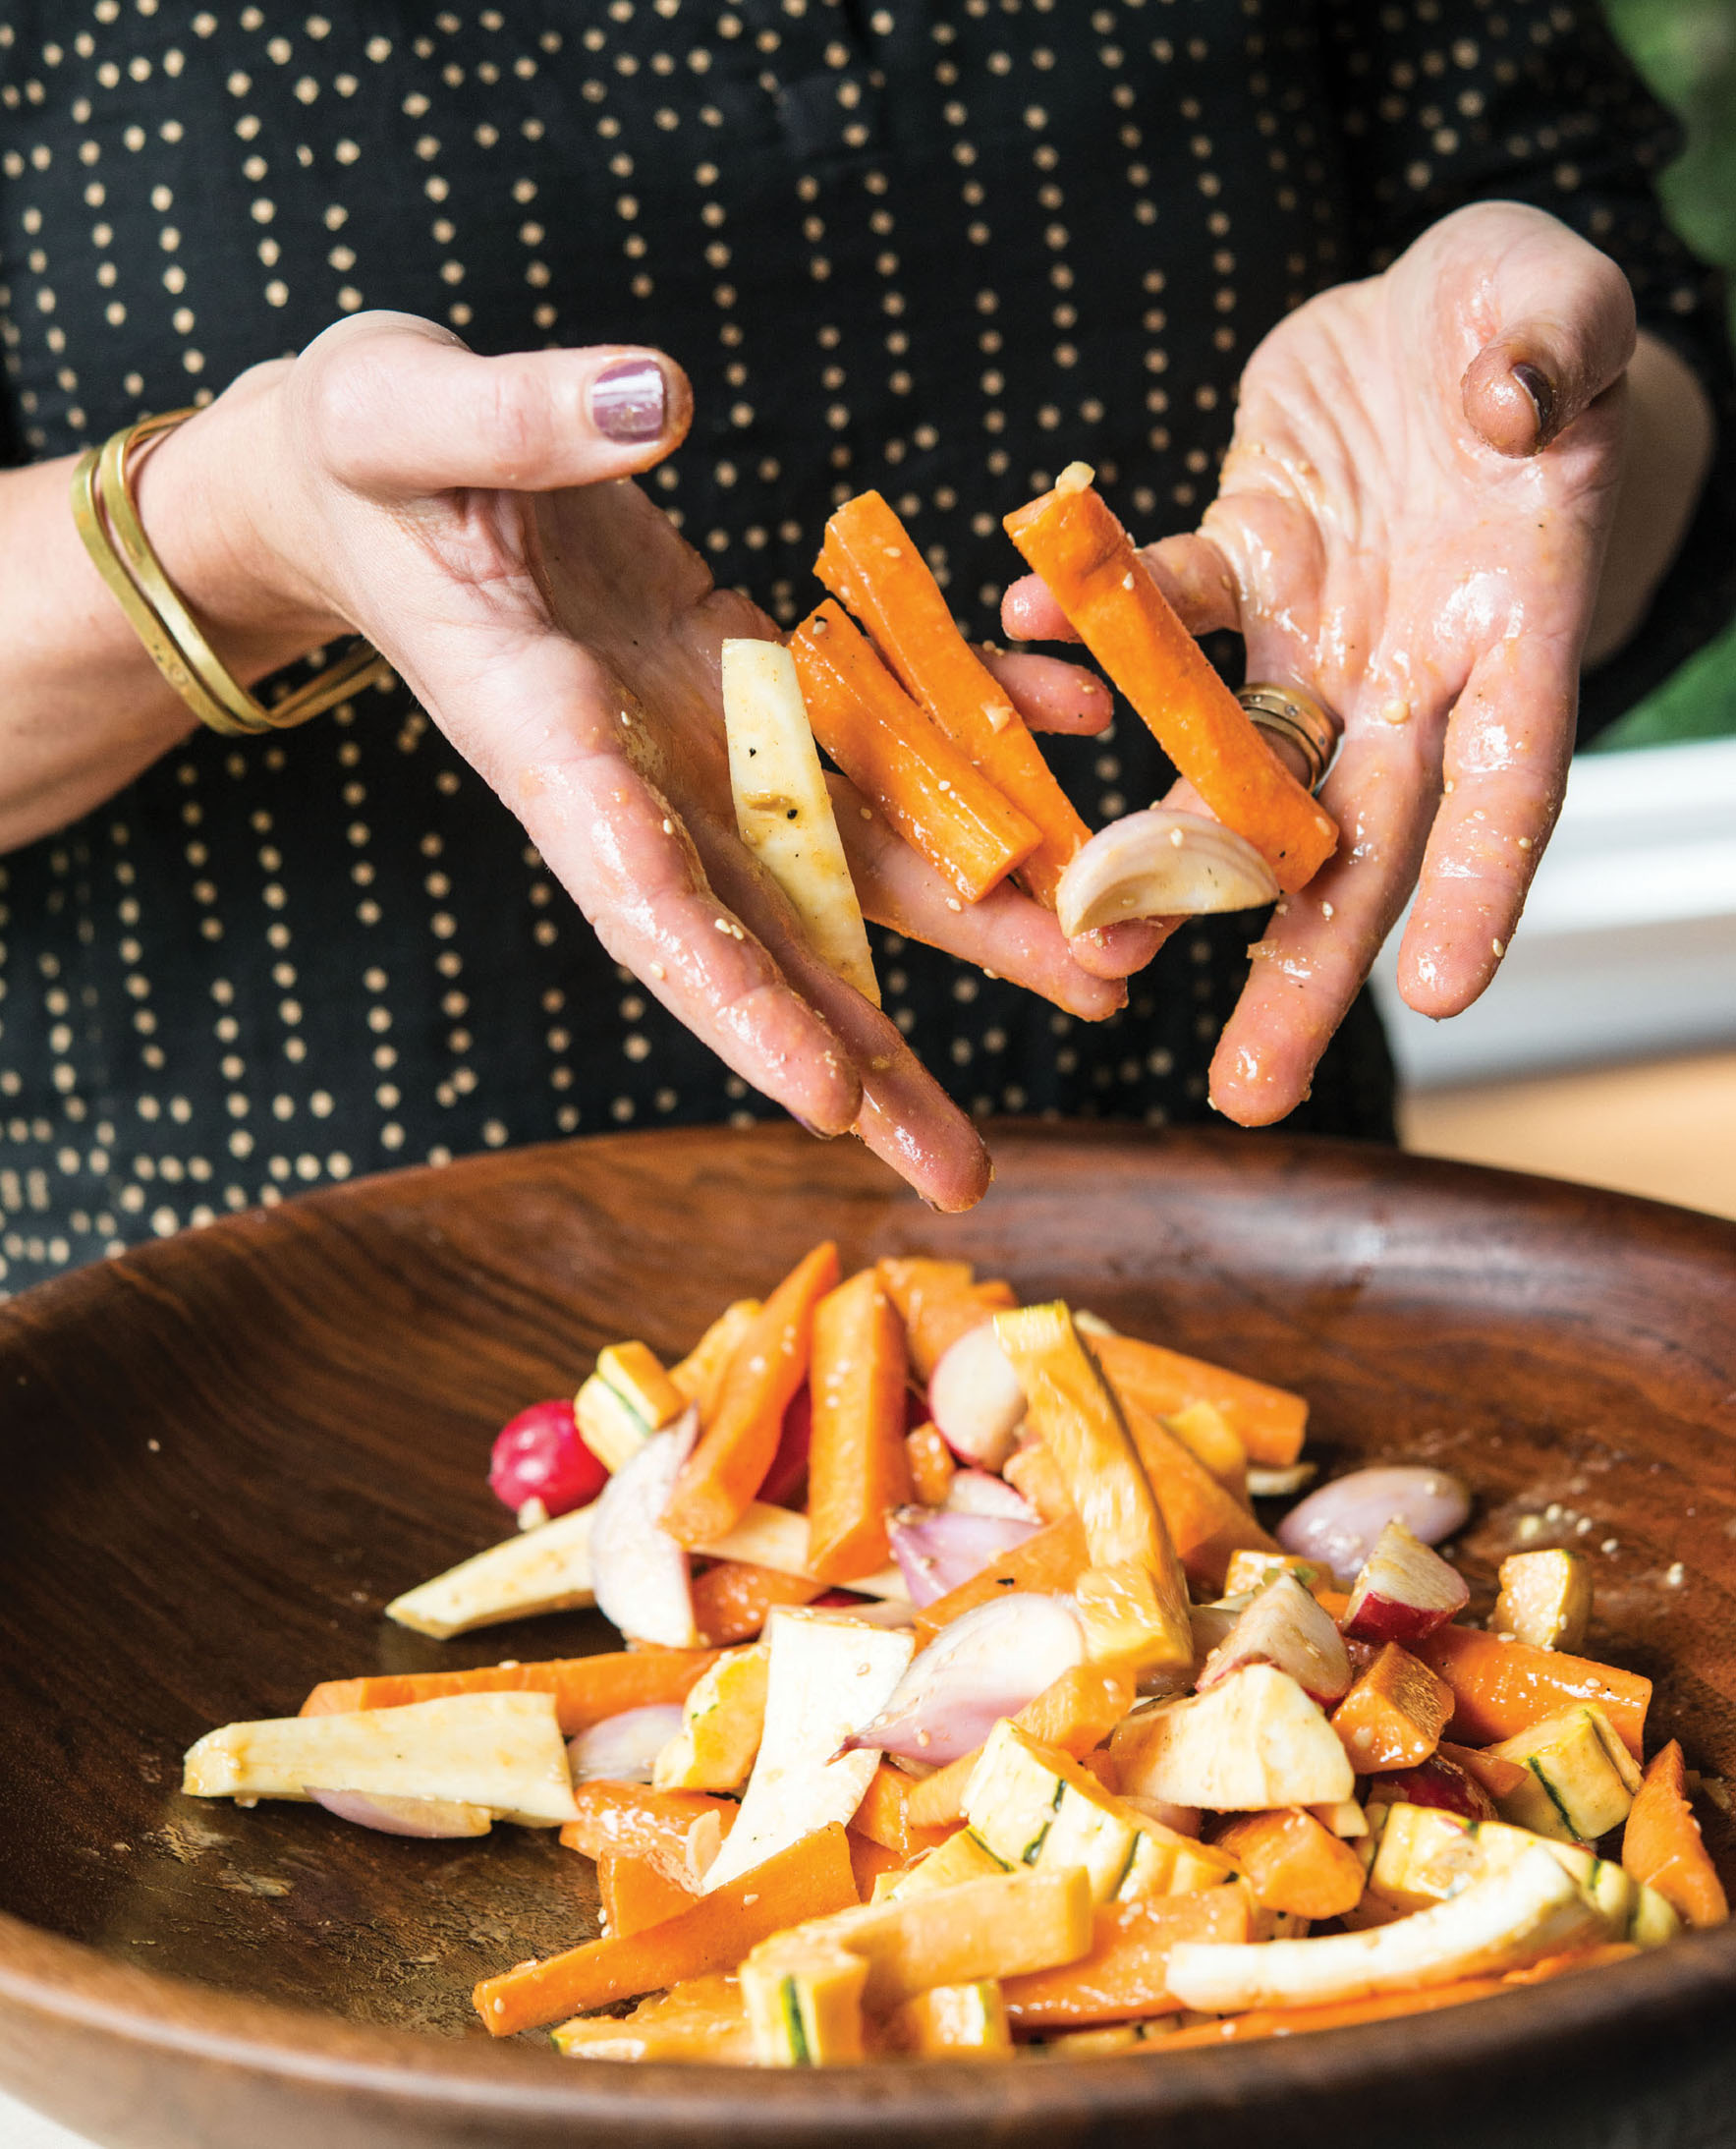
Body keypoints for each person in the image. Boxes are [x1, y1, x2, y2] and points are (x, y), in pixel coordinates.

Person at [0, 0, 1728, 1292]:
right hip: (291, 1343)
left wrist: (1512, 449)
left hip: (1239, 1248)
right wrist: (224, 527)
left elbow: (1622, 354)